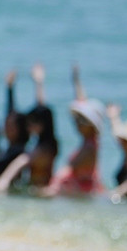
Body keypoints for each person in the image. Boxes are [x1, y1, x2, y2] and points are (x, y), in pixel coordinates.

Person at [0, 64, 58, 193]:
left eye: (32, 123)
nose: (28, 127)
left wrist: (3, 181)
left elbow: (22, 161)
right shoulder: (48, 142)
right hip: (36, 190)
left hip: (40, 192)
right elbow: (42, 110)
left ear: (41, 125)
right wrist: (38, 82)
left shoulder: (44, 148)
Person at [44, 64, 104, 197]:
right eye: (77, 119)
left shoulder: (90, 147)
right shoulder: (91, 140)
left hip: (84, 197)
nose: (77, 123)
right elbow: (81, 100)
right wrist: (76, 80)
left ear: (92, 126)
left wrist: (52, 188)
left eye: (82, 121)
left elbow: (68, 170)